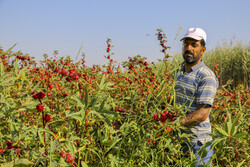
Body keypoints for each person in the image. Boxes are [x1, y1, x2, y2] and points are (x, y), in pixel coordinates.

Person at [174, 27, 218, 166]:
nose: (189, 48)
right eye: (186, 44)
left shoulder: (206, 76)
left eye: (194, 45)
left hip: (198, 144)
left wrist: (175, 124)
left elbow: (202, 114)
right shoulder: (179, 71)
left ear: (203, 50)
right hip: (180, 140)